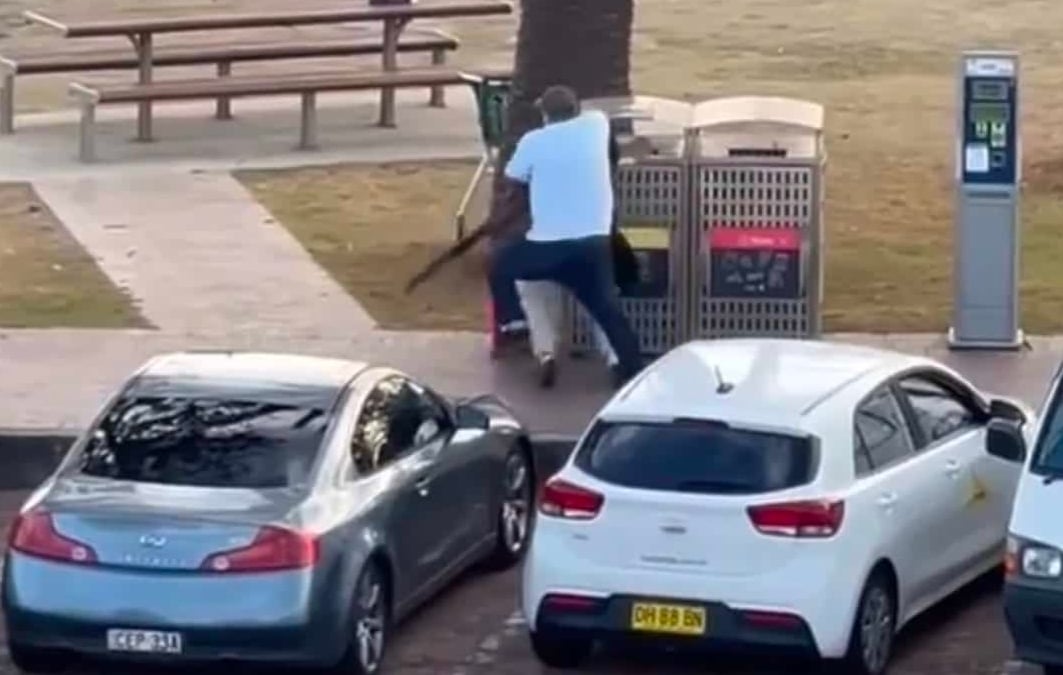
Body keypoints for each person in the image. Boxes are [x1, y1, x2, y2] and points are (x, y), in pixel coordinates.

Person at [486, 85, 643, 387]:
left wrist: (502, 220)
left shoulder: (533, 141)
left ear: (544, 114)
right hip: (593, 244)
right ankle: (630, 367)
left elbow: (514, 182)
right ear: (576, 110)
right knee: (605, 309)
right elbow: (611, 152)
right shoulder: (596, 124)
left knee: (498, 263)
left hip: (546, 246)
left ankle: (514, 323)